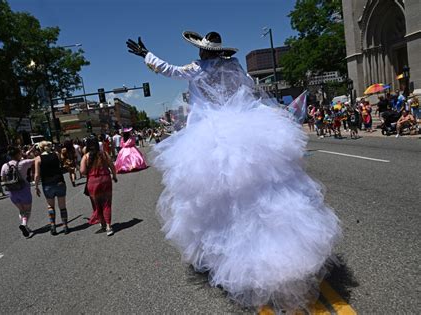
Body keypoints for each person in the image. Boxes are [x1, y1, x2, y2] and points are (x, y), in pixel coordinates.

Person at [127, 31, 340, 310]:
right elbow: (252, 91)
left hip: (211, 135)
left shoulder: (196, 69)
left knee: (216, 200)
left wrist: (147, 55)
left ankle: (228, 255)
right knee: (264, 195)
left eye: (202, 50)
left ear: (206, 52)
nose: (200, 54)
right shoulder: (237, 68)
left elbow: (170, 70)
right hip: (246, 129)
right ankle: (279, 251)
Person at [80, 136, 118, 235]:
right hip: (105, 180)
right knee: (106, 203)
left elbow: (82, 171)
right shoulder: (104, 154)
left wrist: (90, 172)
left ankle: (102, 223)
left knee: (96, 204)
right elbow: (112, 166)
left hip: (92, 182)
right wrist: (114, 176)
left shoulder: (86, 156)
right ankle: (109, 226)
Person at [34, 141, 69, 235]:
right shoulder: (56, 154)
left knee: (51, 206)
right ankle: (65, 226)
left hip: (47, 184)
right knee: (62, 206)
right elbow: (61, 162)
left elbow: (37, 175)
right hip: (59, 182)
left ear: (40, 148)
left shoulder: (38, 159)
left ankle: (53, 225)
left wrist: (36, 187)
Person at [1, 146, 35, 237]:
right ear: (18, 154)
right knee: (27, 210)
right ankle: (24, 224)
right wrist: (28, 154)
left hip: (12, 192)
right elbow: (36, 159)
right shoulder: (24, 163)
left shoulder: (4, 166)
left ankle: (25, 226)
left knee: (21, 210)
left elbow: (3, 178)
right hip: (23, 189)